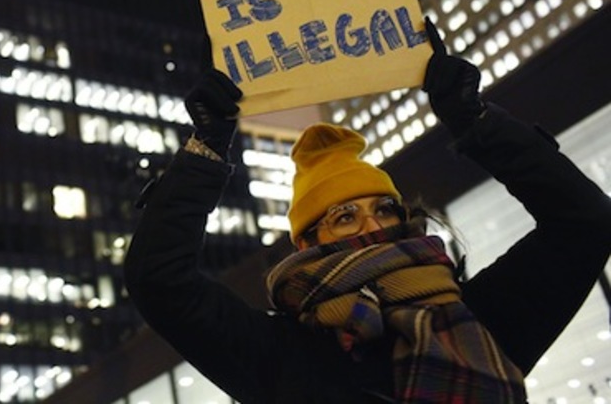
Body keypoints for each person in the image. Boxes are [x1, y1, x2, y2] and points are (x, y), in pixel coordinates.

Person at [123, 20, 611, 403]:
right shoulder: (279, 353)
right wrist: (205, 150)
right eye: (344, 216)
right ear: (307, 244)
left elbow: (584, 223)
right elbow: (160, 281)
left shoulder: (475, 320)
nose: (373, 226)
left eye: (383, 208)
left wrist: (475, 120)